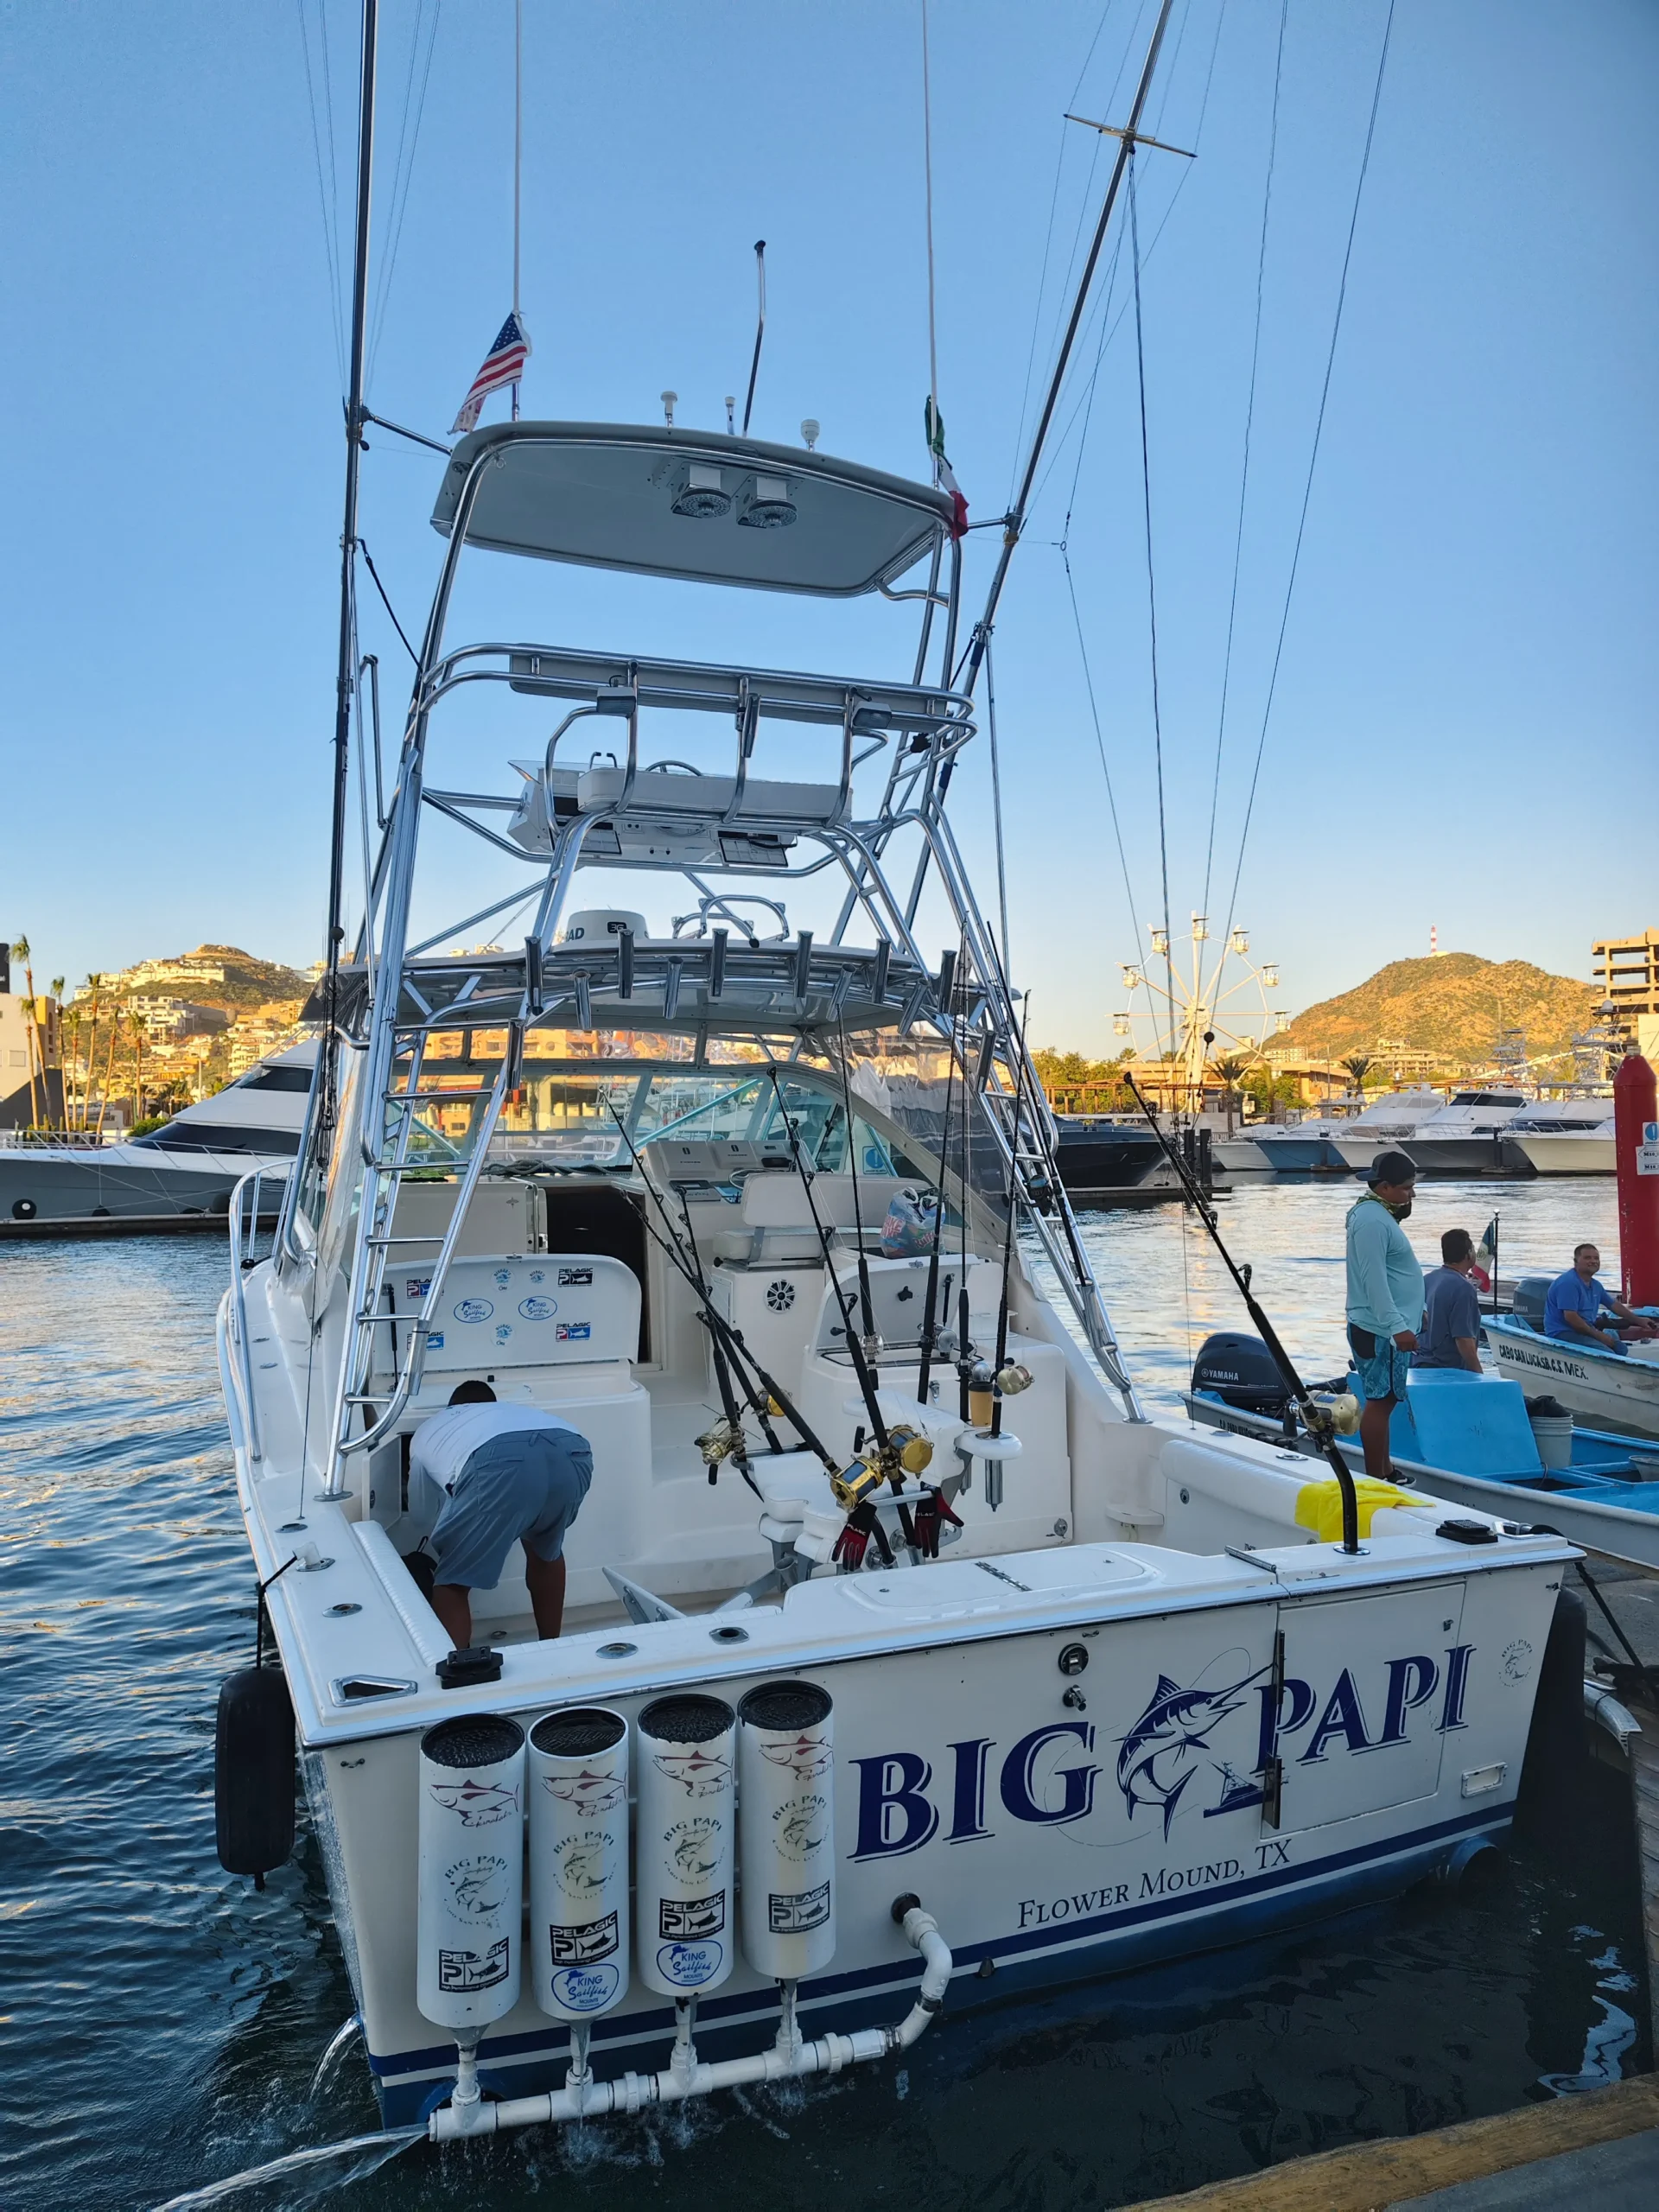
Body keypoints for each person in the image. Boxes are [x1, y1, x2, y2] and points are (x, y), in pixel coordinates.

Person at [408, 1380, 594, 1647]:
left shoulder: (431, 1427)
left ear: (452, 1407)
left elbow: (421, 1515)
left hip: (496, 1460)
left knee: (452, 1582)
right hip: (572, 1449)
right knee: (546, 1552)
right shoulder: (512, 1411)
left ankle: (458, 1674)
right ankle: (552, 1646)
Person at [1344, 1148, 1424, 1480]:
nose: (1412, 1194)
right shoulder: (1371, 1221)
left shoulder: (1378, 1215)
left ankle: (1386, 1469)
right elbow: (1373, 1280)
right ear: (1386, 1187)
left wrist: (1420, 1309)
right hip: (1380, 1330)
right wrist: (1396, 1327)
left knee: (1386, 1401)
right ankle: (1375, 1477)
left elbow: (1396, 1272)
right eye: (1406, 1188)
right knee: (1380, 1402)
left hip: (1388, 1327)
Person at [1542, 1243, 1659, 1354]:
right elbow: (1571, 1317)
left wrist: (1639, 1320)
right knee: (1608, 1354)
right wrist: (1599, 1335)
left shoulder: (1596, 1285)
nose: (1593, 1261)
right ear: (1576, 1262)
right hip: (1563, 1333)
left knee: (1621, 1349)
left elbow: (1614, 1306)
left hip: (1585, 1330)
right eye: (1587, 1258)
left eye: (1596, 1258)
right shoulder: (1569, 1283)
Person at [1414, 1228, 1484, 1373]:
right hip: (1446, 1371)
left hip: (1418, 1365)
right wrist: (1479, 1375)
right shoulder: (1464, 1289)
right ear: (1469, 1254)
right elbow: (1464, 1340)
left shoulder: (1426, 1280)